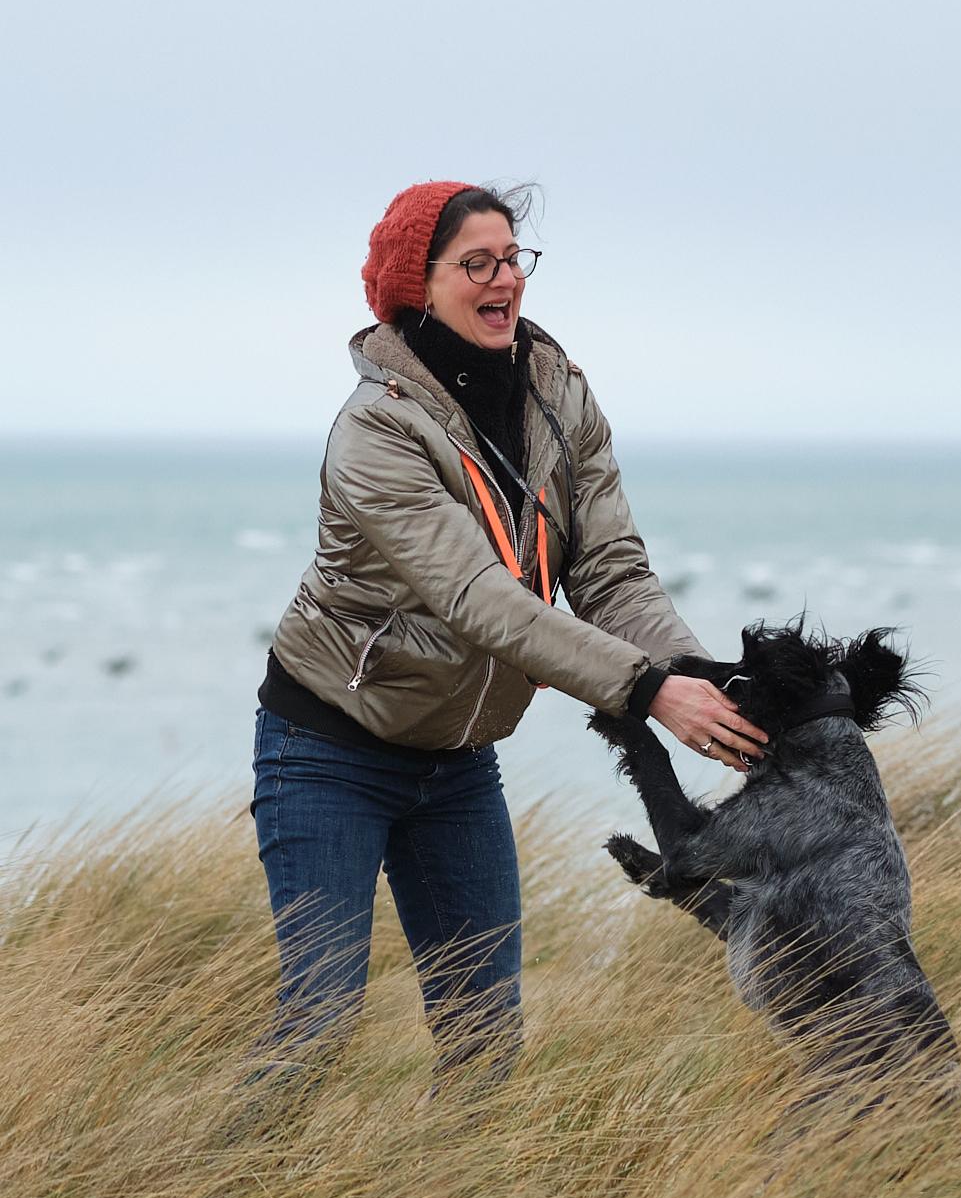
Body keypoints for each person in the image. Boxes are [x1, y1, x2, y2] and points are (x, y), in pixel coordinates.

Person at [247, 178, 765, 1098]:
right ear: (419, 286)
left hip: (457, 762)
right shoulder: (375, 430)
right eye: (474, 264)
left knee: (483, 1043)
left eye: (512, 259)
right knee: (319, 1023)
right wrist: (648, 692)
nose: (503, 281)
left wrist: (700, 680)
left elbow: (610, 571)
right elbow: (478, 598)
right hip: (329, 749)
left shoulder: (561, 398)